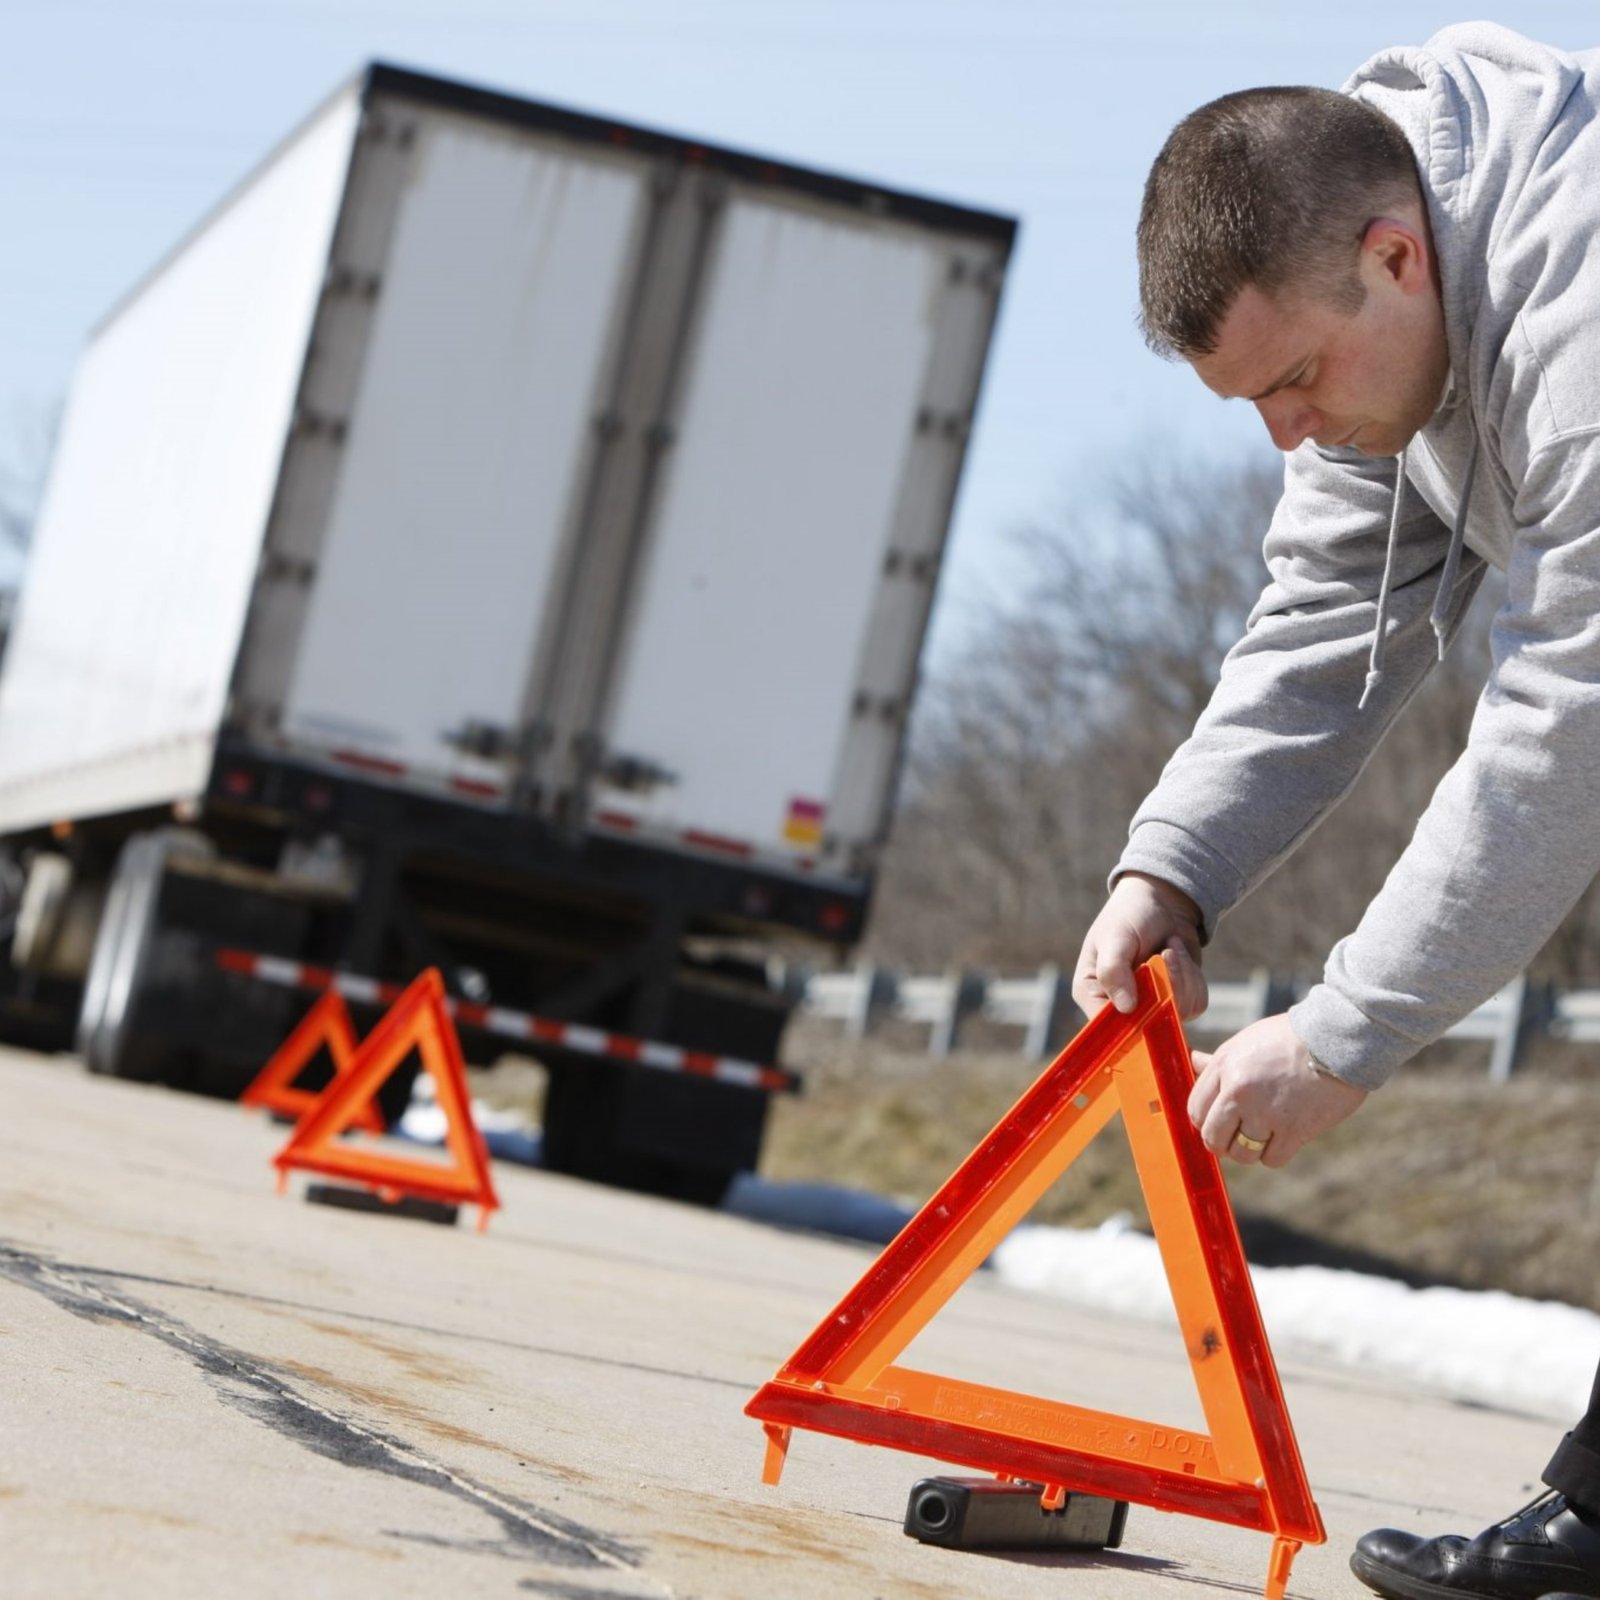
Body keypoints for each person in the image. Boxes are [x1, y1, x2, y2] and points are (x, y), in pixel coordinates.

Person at [1068, 23, 1600, 1600]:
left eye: (1294, 381)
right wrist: (1173, 871)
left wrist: (1347, 1030)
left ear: (1394, 253)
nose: (1288, 433)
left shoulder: (1576, 313)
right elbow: (1323, 629)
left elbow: (1572, 706)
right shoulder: (1380, 328)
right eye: (1253, 401)